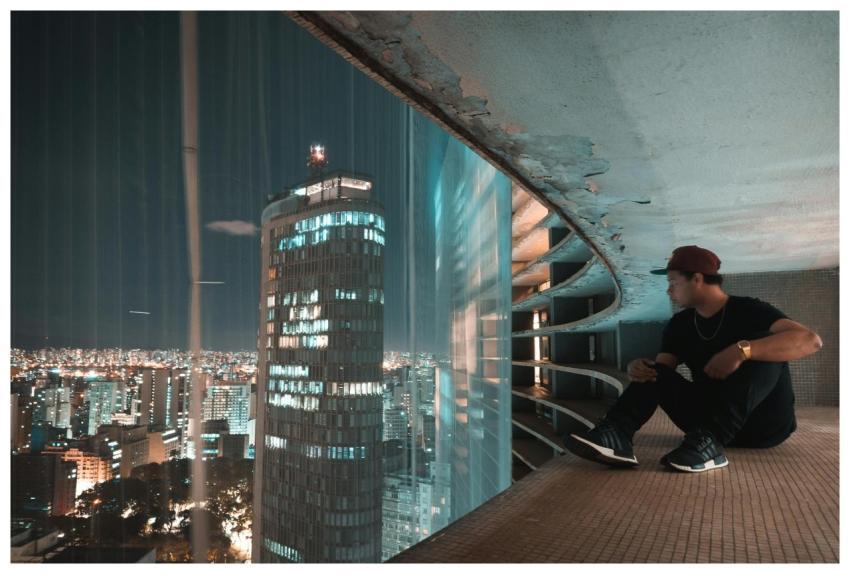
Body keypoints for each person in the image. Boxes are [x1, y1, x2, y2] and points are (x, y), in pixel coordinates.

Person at [564, 245, 823, 473]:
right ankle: (616, 435)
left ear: (697, 279)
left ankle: (711, 444)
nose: (669, 291)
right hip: (702, 423)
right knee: (654, 369)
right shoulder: (680, 324)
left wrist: (742, 350)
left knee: (766, 342)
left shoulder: (751, 310)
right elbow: (661, 373)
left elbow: (810, 340)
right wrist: (639, 369)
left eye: (674, 283)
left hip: (764, 427)